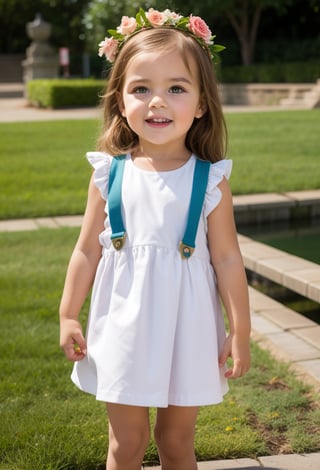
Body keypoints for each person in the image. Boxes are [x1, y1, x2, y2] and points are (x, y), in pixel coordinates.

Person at [59, 7, 251, 470]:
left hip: (189, 329)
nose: (157, 102)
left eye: (176, 89)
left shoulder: (209, 182)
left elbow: (226, 260)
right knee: (127, 443)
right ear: (120, 100)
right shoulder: (110, 175)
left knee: (176, 443)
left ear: (201, 103)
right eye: (141, 89)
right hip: (123, 324)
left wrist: (238, 329)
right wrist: (68, 314)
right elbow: (87, 250)